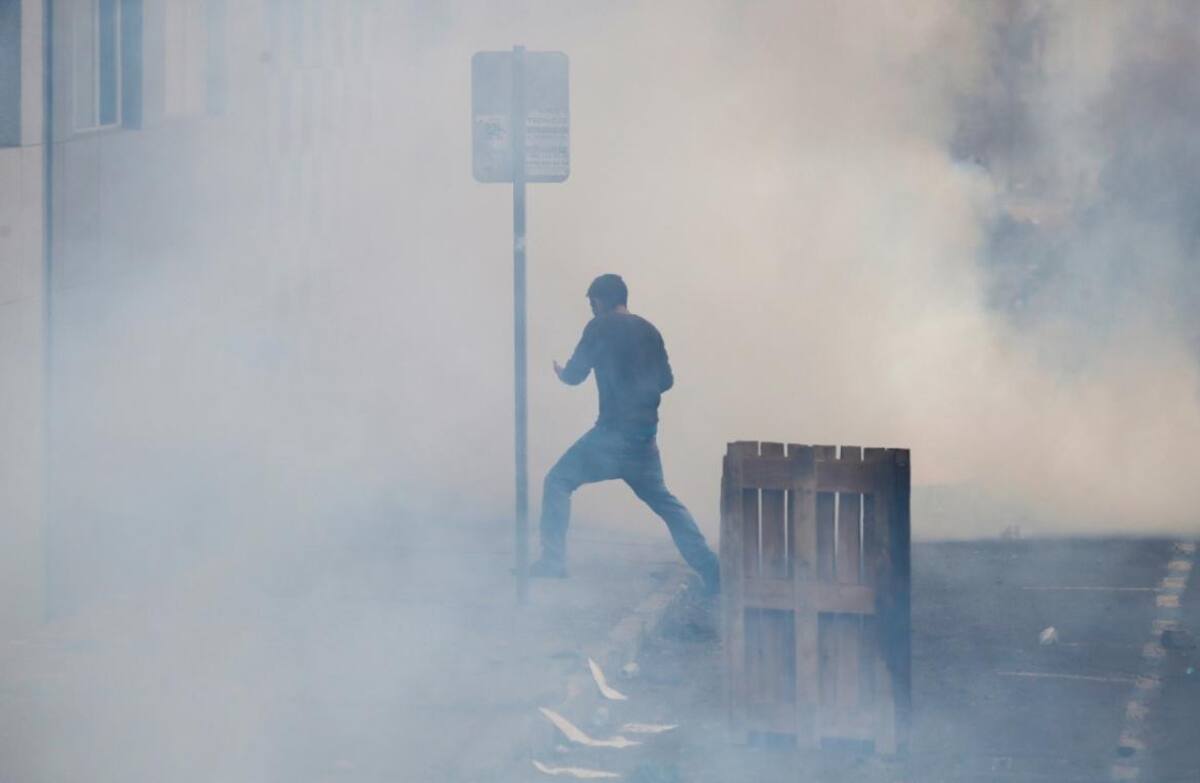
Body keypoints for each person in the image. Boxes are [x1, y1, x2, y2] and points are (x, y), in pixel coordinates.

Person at [529, 274, 721, 594]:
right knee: (667, 504)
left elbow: (576, 375)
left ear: (601, 300)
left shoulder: (599, 327)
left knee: (558, 481)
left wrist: (563, 374)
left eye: (592, 303)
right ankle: (711, 569)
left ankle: (553, 561)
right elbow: (666, 382)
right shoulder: (649, 330)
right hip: (644, 439)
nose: (591, 309)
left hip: (610, 436)